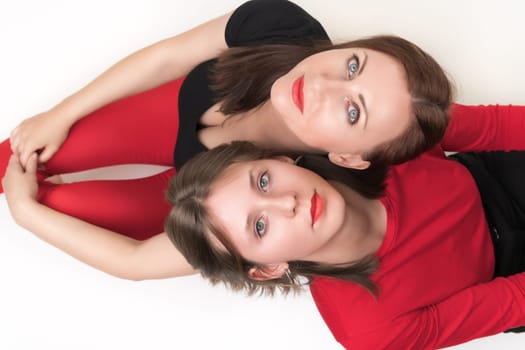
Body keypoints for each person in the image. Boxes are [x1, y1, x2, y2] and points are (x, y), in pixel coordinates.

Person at [1, 0, 452, 279]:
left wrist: (25, 214)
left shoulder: (307, 196)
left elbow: (135, 261)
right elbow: (167, 57)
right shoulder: (283, 26)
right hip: (168, 111)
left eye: (352, 111)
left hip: (192, 198)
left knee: (49, 206)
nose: (321, 85)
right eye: (353, 66)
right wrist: (61, 113)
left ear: (348, 156)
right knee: (14, 156)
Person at [163, 103, 525, 349]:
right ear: (268, 269)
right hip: (508, 274)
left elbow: (490, 125)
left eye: (263, 182)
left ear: (279, 159)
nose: (287, 202)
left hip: (494, 176)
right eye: (259, 226)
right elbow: (514, 301)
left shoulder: (360, 137)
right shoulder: (369, 329)